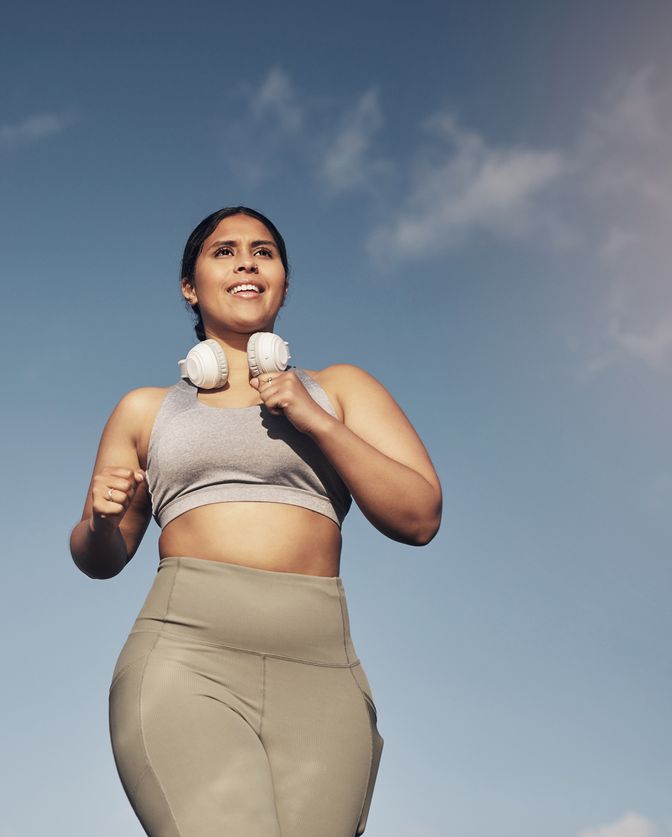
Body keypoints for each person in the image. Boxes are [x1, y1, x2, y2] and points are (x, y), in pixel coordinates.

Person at [69, 207, 441, 837]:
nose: (246, 260)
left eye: (264, 251)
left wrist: (314, 417)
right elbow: (99, 559)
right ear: (191, 286)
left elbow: (419, 516)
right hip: (186, 657)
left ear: (284, 283)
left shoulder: (340, 388)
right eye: (224, 251)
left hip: (324, 673)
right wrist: (102, 521)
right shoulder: (145, 409)